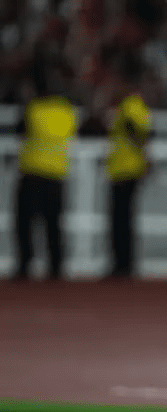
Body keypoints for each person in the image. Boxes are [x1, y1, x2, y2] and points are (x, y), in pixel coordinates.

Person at [12, 61, 78, 281]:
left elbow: (21, 130)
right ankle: (56, 268)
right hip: (56, 174)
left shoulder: (33, 108)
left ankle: (25, 265)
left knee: (25, 224)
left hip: (32, 172)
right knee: (53, 227)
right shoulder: (67, 111)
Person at [105, 57, 152, 278]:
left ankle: (122, 265)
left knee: (120, 219)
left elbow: (136, 132)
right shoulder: (136, 105)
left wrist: (145, 157)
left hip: (126, 168)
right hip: (126, 167)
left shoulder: (130, 105)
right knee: (123, 219)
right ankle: (124, 263)